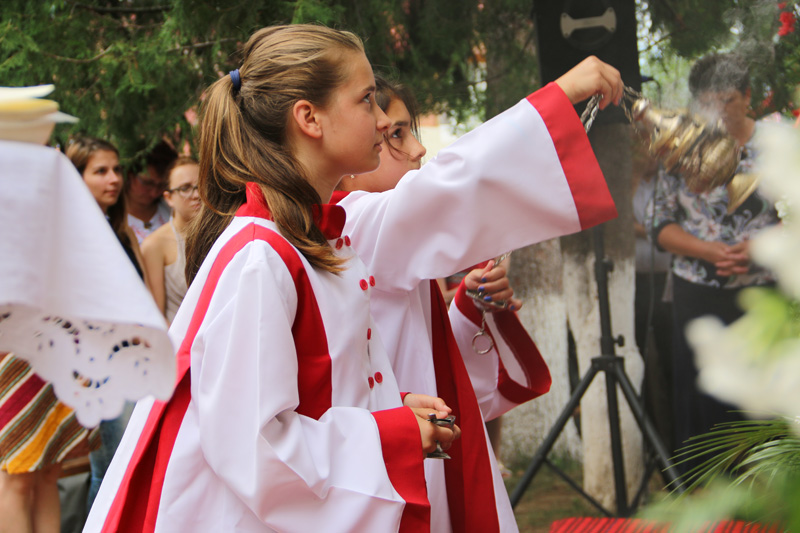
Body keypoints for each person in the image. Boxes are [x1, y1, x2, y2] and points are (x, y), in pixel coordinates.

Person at [85, 24, 622, 532]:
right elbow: (253, 446)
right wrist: (389, 434)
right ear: (309, 118)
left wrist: (393, 407)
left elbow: (317, 395)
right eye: (367, 101)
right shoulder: (262, 257)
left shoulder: (316, 238)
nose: (382, 123)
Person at [337, 75, 537, 529]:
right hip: (382, 444)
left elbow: (427, 354)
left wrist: (470, 306)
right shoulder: (351, 223)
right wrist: (564, 96)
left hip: (419, 427)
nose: (418, 149)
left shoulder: (386, 231)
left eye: (410, 131)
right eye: (396, 135)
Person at [645, 52, 779, 472]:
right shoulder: (682, 147)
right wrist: (709, 250)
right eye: (707, 101)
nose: (718, 110)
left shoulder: (777, 144)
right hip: (697, 293)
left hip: (764, 294)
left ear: (748, 97)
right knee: (701, 394)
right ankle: (706, 487)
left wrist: (759, 248)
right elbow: (658, 223)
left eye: (727, 100)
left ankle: (768, 488)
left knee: (765, 393)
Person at [65, 137, 145, 511]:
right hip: (96, 366)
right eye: (100, 171)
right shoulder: (68, 236)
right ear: (76, 176)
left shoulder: (121, 232)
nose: (113, 179)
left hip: (133, 362)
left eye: (116, 170)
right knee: (111, 470)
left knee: (127, 465)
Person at [140, 156, 201, 323]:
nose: (196, 195)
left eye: (200, 186)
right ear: (168, 198)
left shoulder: (221, 232)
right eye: (185, 188)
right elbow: (157, 314)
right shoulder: (155, 244)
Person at [124, 141, 177, 243]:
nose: (154, 192)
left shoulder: (171, 209)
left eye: (161, 185)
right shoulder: (112, 217)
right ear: (130, 175)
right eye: (147, 183)